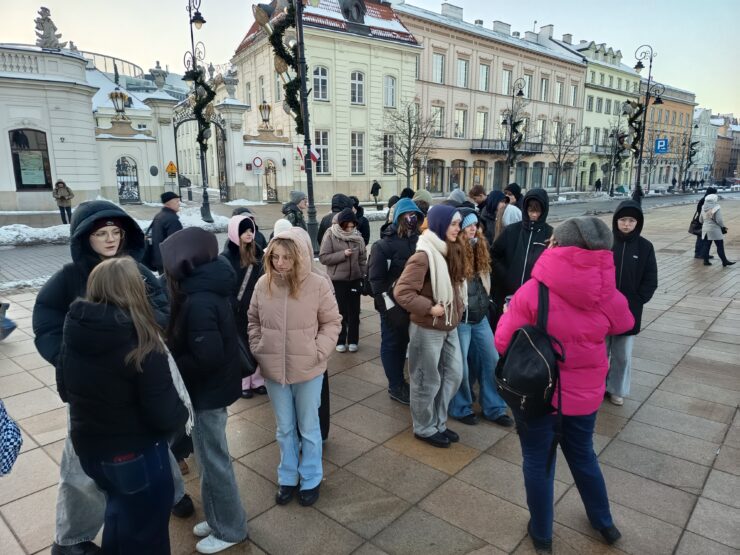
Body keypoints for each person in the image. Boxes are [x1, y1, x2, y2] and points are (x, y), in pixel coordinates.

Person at [32, 200, 190, 555]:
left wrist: (144, 333)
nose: (109, 240)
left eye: (115, 232)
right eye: (101, 234)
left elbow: (161, 306)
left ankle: (174, 494)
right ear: (84, 238)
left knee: (153, 445)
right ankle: (72, 536)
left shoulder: (137, 270)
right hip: (93, 394)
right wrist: (65, 358)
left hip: (138, 375)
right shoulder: (69, 276)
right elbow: (45, 317)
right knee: (79, 468)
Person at [495, 216, 634, 553]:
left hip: (540, 397)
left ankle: (542, 533)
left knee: (539, 462)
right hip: (584, 398)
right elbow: (625, 323)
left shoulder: (534, 290)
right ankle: (604, 522)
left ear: (559, 244)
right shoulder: (607, 293)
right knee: (584, 456)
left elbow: (502, 343)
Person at [59, 257, 188, 555]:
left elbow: (65, 390)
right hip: (134, 456)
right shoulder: (142, 342)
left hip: (91, 452)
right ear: (134, 290)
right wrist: (182, 412)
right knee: (146, 533)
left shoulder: (74, 331)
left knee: (119, 516)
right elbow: (164, 415)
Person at [161, 227, 248, 554]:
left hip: (206, 394)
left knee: (214, 463)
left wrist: (170, 360)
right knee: (210, 461)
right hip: (210, 390)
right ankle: (217, 517)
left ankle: (230, 528)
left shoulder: (198, 299)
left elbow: (206, 357)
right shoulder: (204, 286)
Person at [248, 228, 341, 507]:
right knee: (284, 428)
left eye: (287, 257)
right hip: (274, 370)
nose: (280, 263)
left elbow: (332, 322)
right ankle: (287, 476)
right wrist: (259, 347)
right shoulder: (263, 284)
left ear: (299, 256)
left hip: (308, 370)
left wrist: (319, 351)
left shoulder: (318, 284)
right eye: (275, 256)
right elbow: (253, 320)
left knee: (309, 427)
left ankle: (311, 477)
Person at [394, 205, 468, 448]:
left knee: (453, 374)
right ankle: (424, 428)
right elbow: (402, 292)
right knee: (426, 380)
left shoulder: (450, 249)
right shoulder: (424, 255)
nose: (458, 228)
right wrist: (429, 308)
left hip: (449, 325)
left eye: (459, 223)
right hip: (428, 327)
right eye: (453, 224)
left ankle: (438, 422)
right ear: (440, 224)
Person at [448, 210, 513, 427]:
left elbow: (485, 280)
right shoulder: (453, 250)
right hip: (462, 320)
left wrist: (489, 303)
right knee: (461, 367)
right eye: (468, 225)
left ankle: (494, 408)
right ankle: (460, 407)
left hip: (481, 317)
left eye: (475, 224)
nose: (473, 228)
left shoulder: (481, 247)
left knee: (491, 359)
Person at [368, 198, 425, 404]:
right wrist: (389, 309)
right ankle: (396, 385)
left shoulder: (421, 242)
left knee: (410, 346)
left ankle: (405, 382)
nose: (412, 219)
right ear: (399, 218)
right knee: (393, 345)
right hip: (393, 306)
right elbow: (376, 282)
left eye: (415, 216)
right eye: (408, 215)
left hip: (415, 305)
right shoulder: (382, 246)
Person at [606, 201, 658, 406]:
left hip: (628, 311)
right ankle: (597, 385)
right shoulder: (606, 242)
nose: (626, 224)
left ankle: (616, 389)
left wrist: (637, 300)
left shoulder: (645, 247)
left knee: (622, 355)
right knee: (599, 352)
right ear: (616, 221)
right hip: (602, 309)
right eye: (623, 220)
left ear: (638, 223)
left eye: (631, 221)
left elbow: (650, 279)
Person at [491, 188, 553, 321]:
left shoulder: (549, 234)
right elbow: (493, 255)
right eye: (531, 210)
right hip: (508, 295)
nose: (534, 215)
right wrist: (505, 275)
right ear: (525, 209)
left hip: (534, 299)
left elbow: (554, 267)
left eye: (538, 211)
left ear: (544, 211)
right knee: (505, 329)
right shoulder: (512, 230)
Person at [222, 214, 266, 398]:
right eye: (244, 231)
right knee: (241, 345)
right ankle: (243, 382)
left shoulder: (258, 253)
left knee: (256, 343)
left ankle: (257, 380)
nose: (249, 234)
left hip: (256, 307)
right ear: (235, 232)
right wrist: (232, 303)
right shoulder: (226, 257)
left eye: (251, 230)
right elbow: (223, 285)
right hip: (237, 310)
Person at [319, 208, 367, 353]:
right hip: (338, 280)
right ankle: (340, 340)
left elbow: (362, 259)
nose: (350, 229)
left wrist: (363, 275)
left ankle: (353, 341)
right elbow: (323, 258)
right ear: (341, 224)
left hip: (355, 279)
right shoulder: (330, 234)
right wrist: (343, 254)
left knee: (354, 312)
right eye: (347, 226)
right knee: (341, 312)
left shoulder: (358, 237)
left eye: (352, 226)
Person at [150, 191, 183, 273]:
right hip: (171, 263)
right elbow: (176, 243)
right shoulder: (172, 220)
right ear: (168, 203)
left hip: (160, 260)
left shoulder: (159, 216)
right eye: (176, 201)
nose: (179, 204)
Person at [699, 194, 735, 267]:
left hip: (705, 229)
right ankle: (724, 261)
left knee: (706, 246)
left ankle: (706, 261)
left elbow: (700, 220)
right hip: (715, 230)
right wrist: (723, 226)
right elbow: (719, 220)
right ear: (714, 200)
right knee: (719, 246)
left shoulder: (703, 207)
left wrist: (706, 223)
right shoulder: (716, 207)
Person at [692, 186, 718, 259]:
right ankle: (699, 254)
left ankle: (702, 253)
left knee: (703, 238)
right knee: (702, 238)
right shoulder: (706, 200)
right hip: (703, 221)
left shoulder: (705, 199)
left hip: (704, 221)